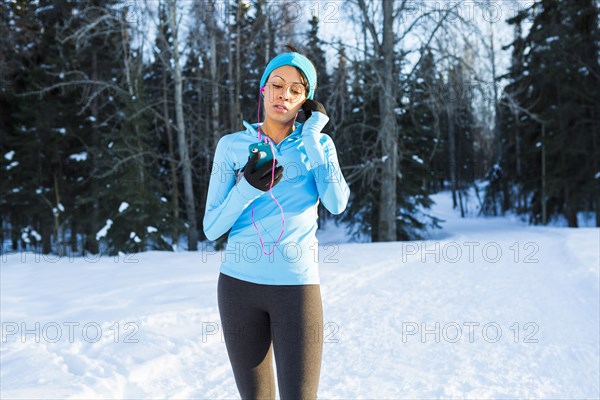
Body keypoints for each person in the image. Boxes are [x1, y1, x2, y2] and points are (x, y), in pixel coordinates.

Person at [203, 45, 350, 399]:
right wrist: (247, 189)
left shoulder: (319, 145)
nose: (284, 95)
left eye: (296, 90)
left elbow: (337, 202)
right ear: (263, 89)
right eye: (277, 84)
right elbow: (211, 228)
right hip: (238, 287)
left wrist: (314, 140)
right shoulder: (233, 146)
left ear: (306, 101)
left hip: (296, 289)